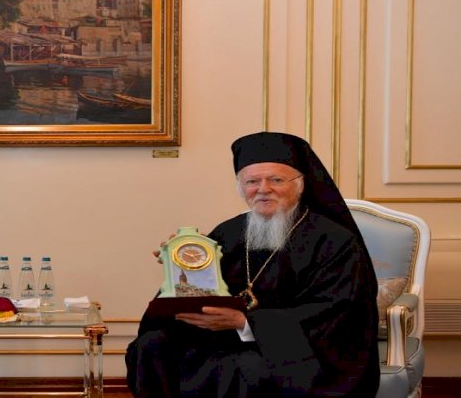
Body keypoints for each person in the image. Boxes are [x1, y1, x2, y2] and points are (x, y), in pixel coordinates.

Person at [125, 132, 380, 397]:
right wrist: (183, 264)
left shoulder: (334, 240)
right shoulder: (228, 232)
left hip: (300, 352)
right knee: (153, 344)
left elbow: (335, 313)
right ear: (241, 187)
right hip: (224, 338)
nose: (263, 189)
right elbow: (204, 289)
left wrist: (245, 323)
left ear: (300, 184)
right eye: (252, 181)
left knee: (245, 367)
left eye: (276, 180)